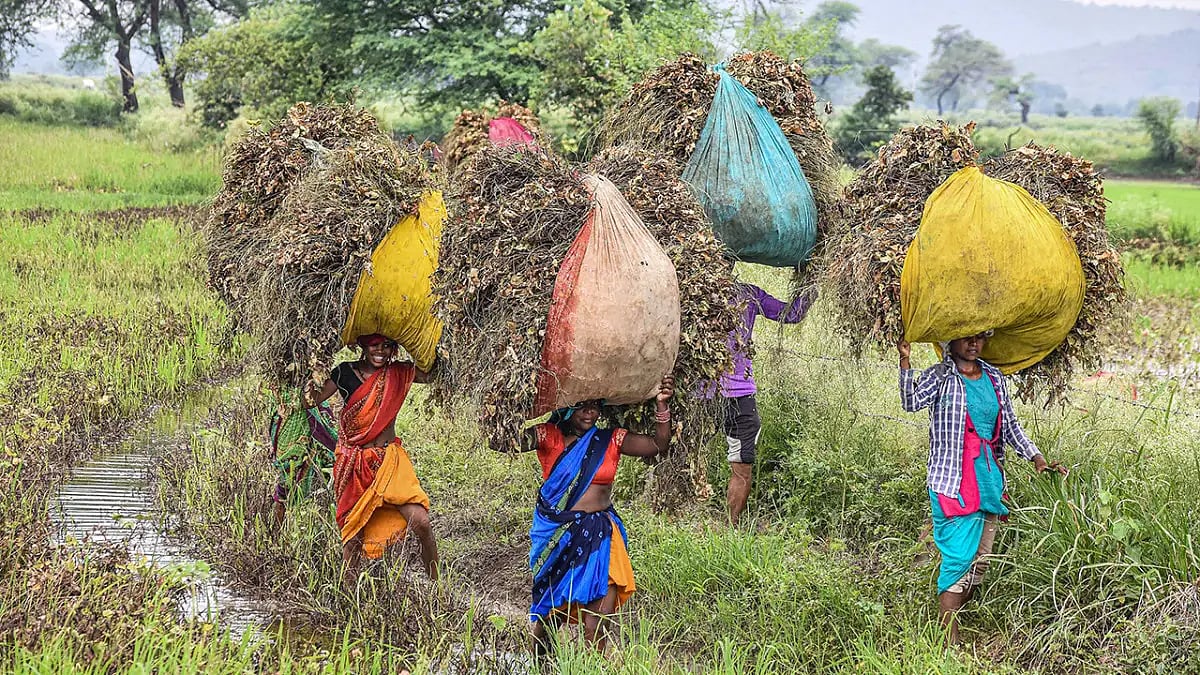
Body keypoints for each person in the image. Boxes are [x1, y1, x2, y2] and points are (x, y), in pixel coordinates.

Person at [898, 332, 1068, 646]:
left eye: (979, 338)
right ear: (950, 343)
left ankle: (953, 616)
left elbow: (1011, 426)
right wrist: (905, 358)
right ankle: (950, 643)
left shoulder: (993, 377)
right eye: (966, 338)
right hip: (951, 482)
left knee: (979, 561)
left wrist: (1037, 458)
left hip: (988, 480)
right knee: (958, 561)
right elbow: (910, 402)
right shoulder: (940, 376)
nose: (973, 344)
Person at [516, 376, 675, 656]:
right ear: (566, 407)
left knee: (598, 622)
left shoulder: (610, 439)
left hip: (601, 534)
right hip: (560, 536)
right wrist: (512, 403)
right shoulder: (549, 437)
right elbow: (503, 441)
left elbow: (657, 445)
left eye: (595, 406)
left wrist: (662, 406)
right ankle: (543, 665)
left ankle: (592, 667)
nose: (590, 412)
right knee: (548, 616)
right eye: (582, 406)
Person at [303, 333, 439, 588]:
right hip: (355, 464)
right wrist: (308, 363)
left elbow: (434, 375)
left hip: (389, 461)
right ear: (363, 346)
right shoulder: (344, 373)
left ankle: (437, 588)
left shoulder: (399, 373)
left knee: (421, 522)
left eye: (388, 345)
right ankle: (348, 597)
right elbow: (310, 400)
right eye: (375, 345)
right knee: (353, 536)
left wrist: (425, 344)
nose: (381, 351)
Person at [712, 281, 816, 526]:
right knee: (686, 459)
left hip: (734, 396)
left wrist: (811, 283)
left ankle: (730, 529)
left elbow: (791, 314)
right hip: (710, 395)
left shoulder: (747, 294)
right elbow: (792, 313)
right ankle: (686, 518)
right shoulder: (695, 292)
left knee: (742, 465)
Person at [268, 389, 338, 526]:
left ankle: (316, 527)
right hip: (289, 414)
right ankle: (275, 535)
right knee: (287, 476)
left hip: (311, 406)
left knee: (318, 472)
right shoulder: (282, 392)